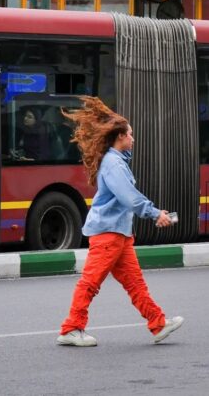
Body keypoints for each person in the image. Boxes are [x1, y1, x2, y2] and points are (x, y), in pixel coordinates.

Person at [56, 96, 183, 347]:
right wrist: (155, 213)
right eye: (131, 135)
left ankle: (157, 323)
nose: (133, 139)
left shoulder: (116, 161)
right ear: (121, 137)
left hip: (119, 234)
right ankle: (71, 328)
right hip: (108, 235)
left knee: (135, 282)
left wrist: (153, 212)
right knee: (90, 282)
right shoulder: (114, 163)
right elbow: (129, 198)